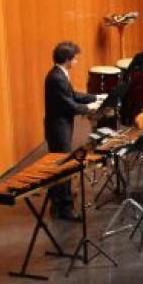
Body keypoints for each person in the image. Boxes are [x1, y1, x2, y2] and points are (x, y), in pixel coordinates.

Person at [43, 41, 105, 220]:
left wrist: (95, 97)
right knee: (63, 165)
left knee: (61, 163)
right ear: (67, 59)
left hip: (61, 125)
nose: (77, 61)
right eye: (75, 58)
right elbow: (68, 104)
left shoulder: (60, 74)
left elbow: (73, 95)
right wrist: (90, 107)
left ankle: (58, 201)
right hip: (58, 127)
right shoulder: (56, 78)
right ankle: (65, 207)